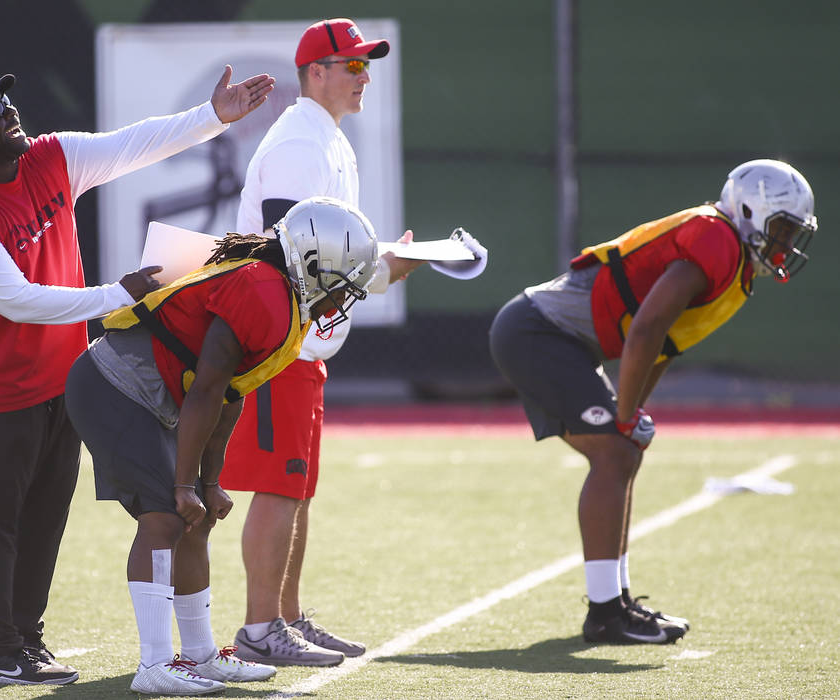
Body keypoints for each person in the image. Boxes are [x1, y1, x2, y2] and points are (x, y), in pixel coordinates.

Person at [0, 67, 274, 686]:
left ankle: (27, 641)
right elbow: (22, 301)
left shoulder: (47, 157)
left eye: (9, 103)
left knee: (45, 515)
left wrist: (212, 117)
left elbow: (132, 143)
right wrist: (120, 294)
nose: (12, 116)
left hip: (60, 377)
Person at [489, 159, 818, 644]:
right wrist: (625, 417)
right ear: (749, 210)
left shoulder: (734, 261)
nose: (786, 244)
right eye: (782, 229)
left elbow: (663, 344)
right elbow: (645, 328)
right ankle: (604, 614)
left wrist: (631, 412)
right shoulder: (717, 239)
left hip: (562, 338)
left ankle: (617, 604)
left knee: (624, 451)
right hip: (538, 331)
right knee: (614, 452)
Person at [64, 197, 379, 695]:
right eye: (342, 286)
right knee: (166, 515)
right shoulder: (263, 290)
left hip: (152, 395)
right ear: (315, 266)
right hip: (113, 384)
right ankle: (153, 665)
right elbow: (208, 388)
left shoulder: (284, 303)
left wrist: (208, 483)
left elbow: (229, 396)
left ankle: (201, 655)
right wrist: (186, 483)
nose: (341, 302)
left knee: (195, 518)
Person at [220, 18, 425, 667]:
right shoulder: (299, 142)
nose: (364, 77)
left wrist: (392, 261)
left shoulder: (325, 136)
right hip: (280, 336)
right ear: (317, 72)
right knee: (279, 485)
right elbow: (291, 250)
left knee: (297, 485)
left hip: (306, 339)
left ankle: (286, 616)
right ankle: (259, 628)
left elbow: (329, 253)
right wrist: (387, 270)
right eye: (353, 65)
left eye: (367, 66)